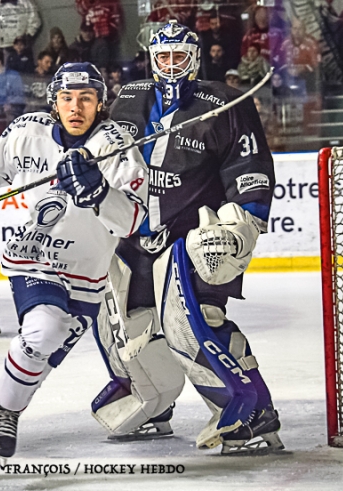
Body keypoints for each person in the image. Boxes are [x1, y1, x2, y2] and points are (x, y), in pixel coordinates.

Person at [0, 62, 147, 478]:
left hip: (87, 276)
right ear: (54, 102)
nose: (76, 106)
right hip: (34, 257)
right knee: (43, 332)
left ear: (101, 103)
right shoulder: (27, 131)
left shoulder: (117, 147)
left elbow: (132, 222)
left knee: (38, 361)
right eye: (67, 98)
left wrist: (99, 192)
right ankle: (3, 415)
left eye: (86, 98)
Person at [91, 20, 282, 455]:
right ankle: (150, 401)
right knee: (121, 321)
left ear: (194, 60)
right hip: (135, 233)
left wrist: (243, 223)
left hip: (193, 236)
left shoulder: (223, 103)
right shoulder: (130, 99)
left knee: (194, 323)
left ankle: (252, 411)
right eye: (164, 57)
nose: (172, 65)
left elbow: (248, 165)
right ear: (152, 60)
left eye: (180, 57)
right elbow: (101, 152)